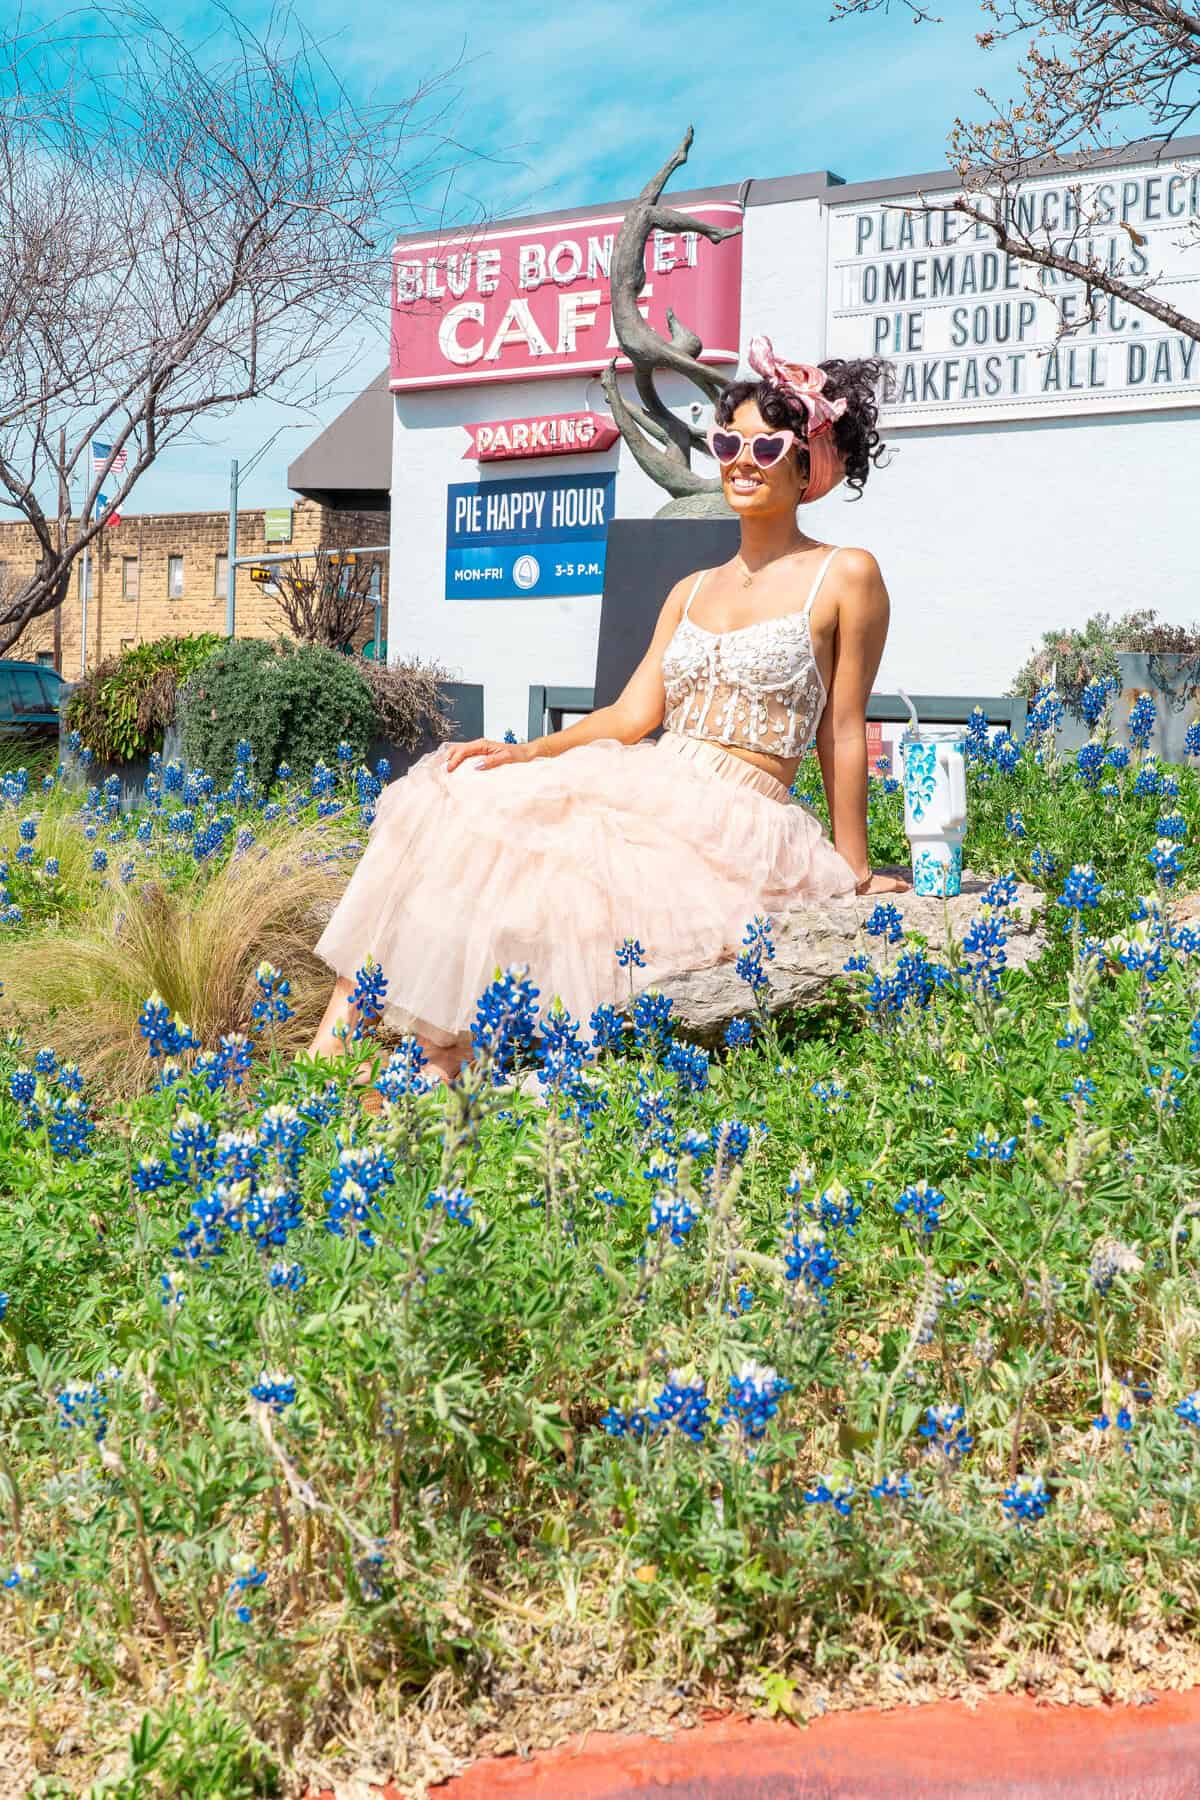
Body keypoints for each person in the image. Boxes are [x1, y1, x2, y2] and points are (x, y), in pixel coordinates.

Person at [309, 336, 907, 1080]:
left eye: (765, 444)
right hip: (652, 781)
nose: (740, 460)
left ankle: (435, 1077)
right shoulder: (689, 588)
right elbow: (630, 717)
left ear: (809, 461)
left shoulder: (846, 574)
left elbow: (843, 729)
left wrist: (852, 866)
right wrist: (522, 752)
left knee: (558, 890)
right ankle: (342, 1067)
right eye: (727, 442)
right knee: (461, 802)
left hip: (738, 817)